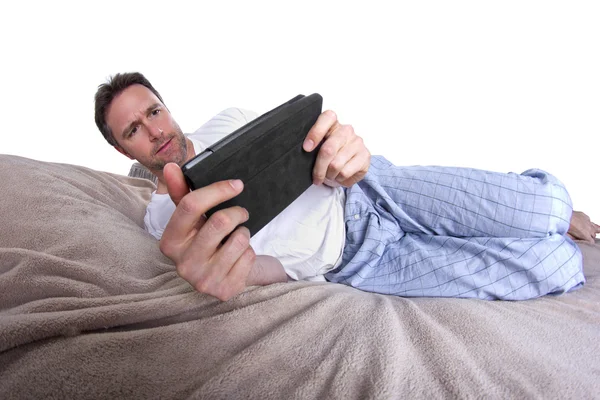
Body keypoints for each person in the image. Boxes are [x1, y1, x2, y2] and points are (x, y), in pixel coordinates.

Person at [95, 72, 599, 302]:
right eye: (133, 129)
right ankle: (546, 227)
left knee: (551, 203)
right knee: (555, 265)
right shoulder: (162, 224)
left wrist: (340, 142)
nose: (156, 130)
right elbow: (270, 271)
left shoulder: (228, 119)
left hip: (373, 189)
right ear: (123, 151)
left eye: (153, 111)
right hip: (358, 263)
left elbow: (308, 142)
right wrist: (243, 275)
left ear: (167, 105)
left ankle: (554, 212)